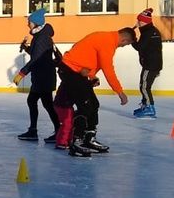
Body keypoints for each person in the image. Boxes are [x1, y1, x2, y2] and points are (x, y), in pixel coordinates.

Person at [56, 27, 135, 157]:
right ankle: (77, 141)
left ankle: (89, 138)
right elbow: (108, 68)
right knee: (85, 105)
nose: (123, 46)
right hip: (70, 71)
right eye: (126, 44)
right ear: (125, 39)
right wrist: (120, 92)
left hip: (76, 71)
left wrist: (91, 75)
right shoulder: (108, 42)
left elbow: (85, 52)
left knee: (93, 104)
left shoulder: (105, 37)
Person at [13, 9, 61, 142]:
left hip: (43, 78)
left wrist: (21, 73)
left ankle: (55, 130)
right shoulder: (40, 36)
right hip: (43, 77)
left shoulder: (41, 38)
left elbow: (36, 59)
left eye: (29, 21)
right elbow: (38, 55)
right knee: (40, 103)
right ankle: (41, 130)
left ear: (36, 23)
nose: (28, 24)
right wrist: (27, 48)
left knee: (45, 104)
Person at [131, 8, 164, 118]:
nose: (138, 23)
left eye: (139, 21)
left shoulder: (148, 33)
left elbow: (139, 47)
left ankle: (149, 107)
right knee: (144, 85)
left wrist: (132, 39)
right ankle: (145, 105)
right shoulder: (153, 31)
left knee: (144, 87)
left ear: (145, 21)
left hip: (150, 65)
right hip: (155, 64)